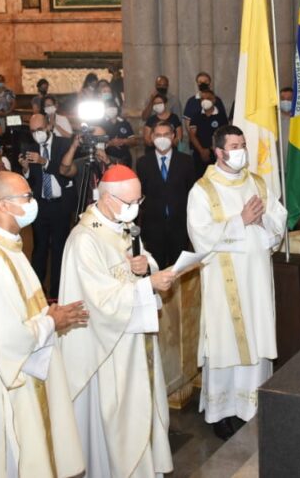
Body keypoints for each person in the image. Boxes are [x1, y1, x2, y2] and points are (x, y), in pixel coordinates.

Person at [0, 171, 87, 478]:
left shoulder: (9, 248)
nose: (33, 203)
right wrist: (50, 323)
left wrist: (49, 317)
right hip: (6, 387)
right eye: (26, 197)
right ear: (2, 205)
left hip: (27, 373)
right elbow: (4, 339)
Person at [58, 164, 176, 477]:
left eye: (139, 202)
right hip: (108, 350)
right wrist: (147, 285)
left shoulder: (118, 226)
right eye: (130, 203)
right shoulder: (84, 240)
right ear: (108, 198)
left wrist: (146, 268)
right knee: (118, 424)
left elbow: (140, 264)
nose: (135, 209)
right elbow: (97, 302)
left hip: (132, 341)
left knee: (139, 410)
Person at [186, 125, 287, 440]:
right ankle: (221, 412)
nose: (241, 149)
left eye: (243, 143)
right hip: (223, 283)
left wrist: (262, 221)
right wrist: (240, 221)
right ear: (219, 151)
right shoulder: (203, 190)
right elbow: (200, 237)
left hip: (256, 281)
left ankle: (250, 407)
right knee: (225, 342)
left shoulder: (257, 183)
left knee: (255, 339)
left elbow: (277, 226)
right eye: (234, 145)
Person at [16, 113, 77, 299]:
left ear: (49, 126)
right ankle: (37, 292)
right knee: (39, 248)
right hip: (40, 205)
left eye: (40, 130)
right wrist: (25, 169)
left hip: (61, 205)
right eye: (33, 131)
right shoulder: (29, 147)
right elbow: (30, 181)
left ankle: (58, 293)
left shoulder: (65, 145)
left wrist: (45, 162)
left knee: (59, 249)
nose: (37, 134)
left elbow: (66, 174)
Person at [136, 121, 196, 268]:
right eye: (158, 135)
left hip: (180, 226)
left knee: (180, 269)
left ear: (173, 136)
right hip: (153, 227)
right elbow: (140, 193)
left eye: (166, 134)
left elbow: (192, 192)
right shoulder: (143, 163)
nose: (162, 138)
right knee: (156, 268)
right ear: (151, 137)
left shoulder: (186, 161)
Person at [188, 89, 229, 177]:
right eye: (202, 99)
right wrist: (201, 151)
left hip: (216, 156)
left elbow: (224, 136)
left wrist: (210, 150)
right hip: (199, 155)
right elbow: (192, 135)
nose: (205, 101)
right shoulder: (196, 116)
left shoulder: (221, 117)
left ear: (214, 100)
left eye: (208, 98)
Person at [100, 99, 138, 167]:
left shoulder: (125, 123)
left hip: (125, 159)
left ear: (117, 108)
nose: (111, 109)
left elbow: (134, 141)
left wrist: (122, 141)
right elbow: (97, 143)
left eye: (113, 107)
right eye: (108, 107)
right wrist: (111, 143)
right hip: (107, 159)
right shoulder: (101, 124)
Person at [278, 86, 294, 164]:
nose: (285, 101)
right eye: (283, 98)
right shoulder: (275, 120)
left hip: (294, 165)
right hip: (278, 166)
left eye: (289, 99)